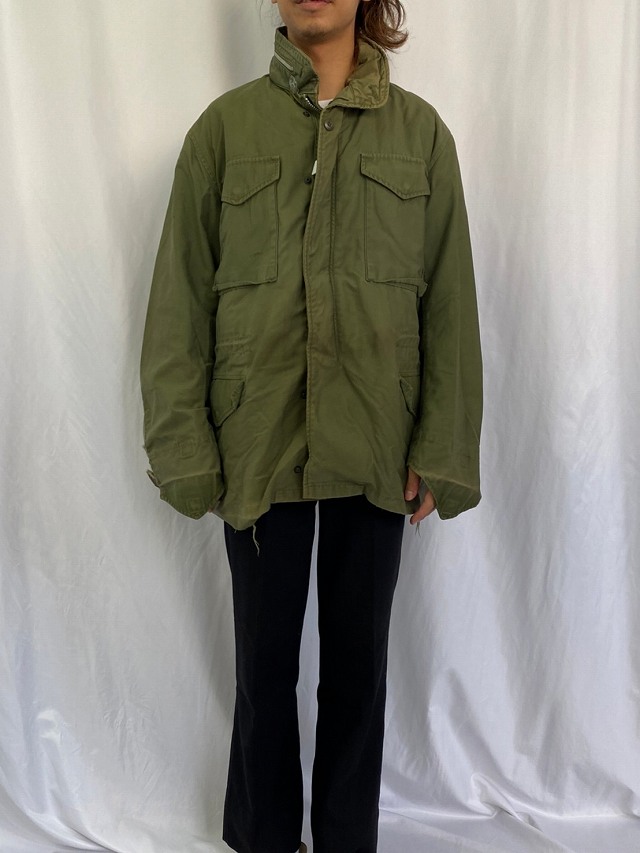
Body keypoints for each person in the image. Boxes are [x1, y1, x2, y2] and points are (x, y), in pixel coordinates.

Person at [140, 0, 483, 850]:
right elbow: (178, 303)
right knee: (262, 669)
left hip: (377, 441)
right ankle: (264, 837)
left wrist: (441, 447)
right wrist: (184, 448)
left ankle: (342, 839)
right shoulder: (223, 134)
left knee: (358, 672)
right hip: (257, 443)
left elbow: (450, 302)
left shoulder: (421, 137)